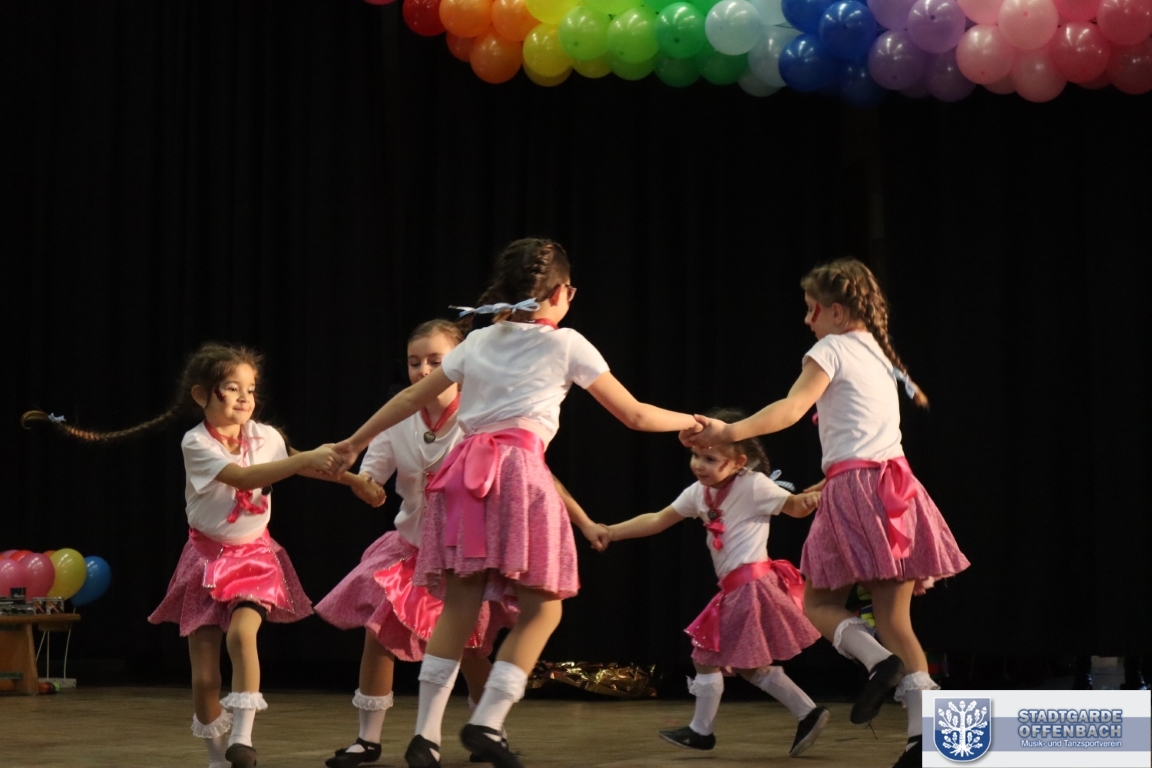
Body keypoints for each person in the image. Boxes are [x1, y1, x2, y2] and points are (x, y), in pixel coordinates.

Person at [331, 238, 699, 768]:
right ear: (562, 292)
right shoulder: (567, 343)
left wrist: (353, 442)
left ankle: (426, 735)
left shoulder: (478, 341)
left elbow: (409, 397)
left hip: (461, 477)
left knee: (458, 605)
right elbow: (635, 415)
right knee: (543, 607)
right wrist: (698, 423)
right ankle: (487, 720)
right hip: (518, 473)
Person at [684, 259, 970, 768]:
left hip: (857, 488)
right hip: (898, 487)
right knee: (896, 620)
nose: (806, 319)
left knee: (816, 602)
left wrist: (728, 432)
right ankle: (922, 739)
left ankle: (878, 662)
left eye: (811, 309)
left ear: (836, 312)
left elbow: (791, 409)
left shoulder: (831, 348)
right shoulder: (878, 352)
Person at [23, 343, 364, 768]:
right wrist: (306, 460)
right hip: (205, 560)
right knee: (205, 679)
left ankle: (242, 738)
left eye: (250, 389)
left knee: (242, 635)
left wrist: (354, 481)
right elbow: (244, 476)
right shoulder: (197, 442)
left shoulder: (265, 436)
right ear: (202, 395)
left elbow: (298, 462)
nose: (244, 398)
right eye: (232, 388)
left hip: (253, 557)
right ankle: (218, 759)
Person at [316, 319, 606, 768]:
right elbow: (373, 481)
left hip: (464, 550)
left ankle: (489, 729)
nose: (423, 370)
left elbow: (538, 472)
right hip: (412, 548)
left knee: (470, 649)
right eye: (415, 362)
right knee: (379, 636)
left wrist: (584, 521)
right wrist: (362, 484)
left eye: (436, 361)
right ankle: (368, 739)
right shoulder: (397, 419)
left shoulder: (481, 414)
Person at [606, 409, 830, 758]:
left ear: (738, 462)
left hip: (752, 585)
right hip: (736, 589)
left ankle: (701, 731)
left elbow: (794, 507)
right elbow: (658, 519)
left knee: (705, 652)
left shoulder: (753, 485)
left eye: (710, 459)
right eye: (696, 456)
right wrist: (611, 532)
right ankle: (807, 711)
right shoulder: (699, 493)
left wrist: (813, 497)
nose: (699, 465)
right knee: (747, 665)